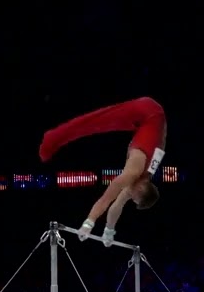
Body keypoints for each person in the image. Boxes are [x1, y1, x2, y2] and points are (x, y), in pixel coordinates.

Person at [39, 97, 166, 246]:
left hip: (153, 123)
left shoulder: (142, 181)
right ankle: (51, 140)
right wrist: (89, 222)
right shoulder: (133, 173)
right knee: (97, 122)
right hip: (147, 110)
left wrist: (109, 231)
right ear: (140, 190)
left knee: (102, 124)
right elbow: (106, 199)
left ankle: (53, 140)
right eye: (134, 198)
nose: (129, 196)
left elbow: (116, 206)